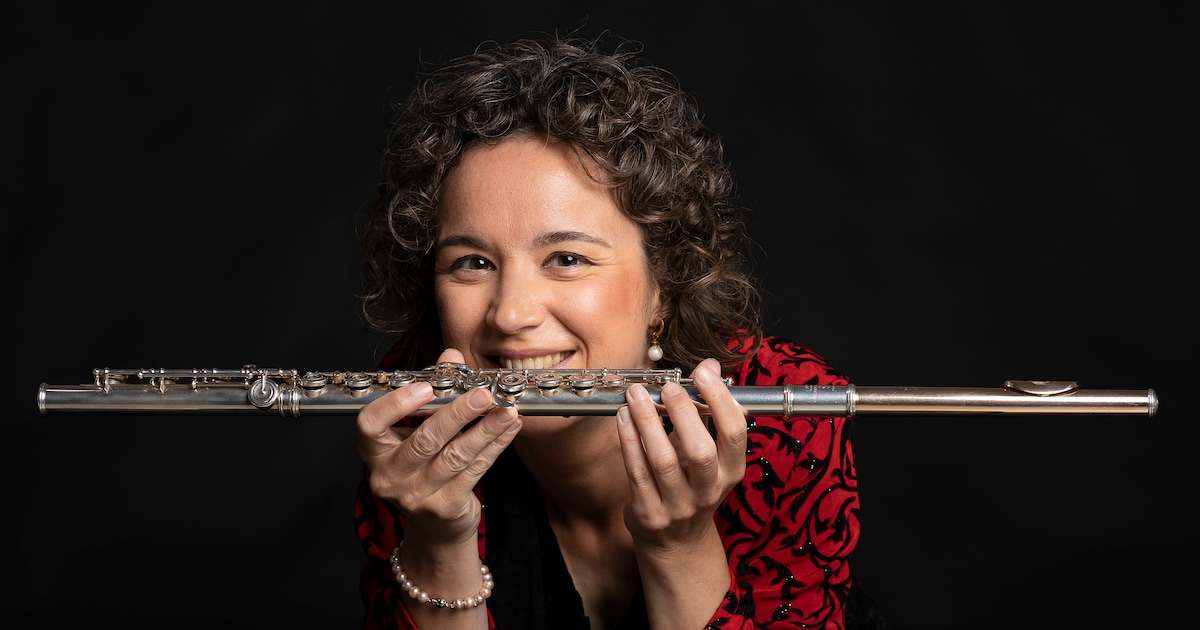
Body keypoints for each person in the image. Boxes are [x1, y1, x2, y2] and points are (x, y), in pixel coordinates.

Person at [353, 34, 873, 630]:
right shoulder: (414, 426)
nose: (509, 315)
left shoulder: (790, 412)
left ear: (665, 286)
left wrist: (679, 547)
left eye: (568, 258)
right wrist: (439, 540)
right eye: (473, 263)